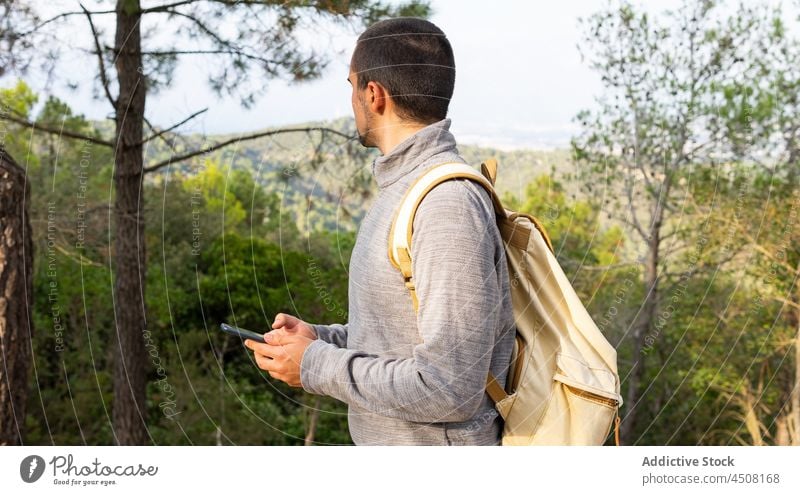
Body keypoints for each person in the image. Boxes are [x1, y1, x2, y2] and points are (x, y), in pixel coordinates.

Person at [244, 16, 516, 446]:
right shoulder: (407, 187)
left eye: (351, 86)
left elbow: (450, 387)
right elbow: (401, 338)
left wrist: (315, 365)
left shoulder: (446, 206)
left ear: (374, 94)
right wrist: (321, 339)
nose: (351, 100)